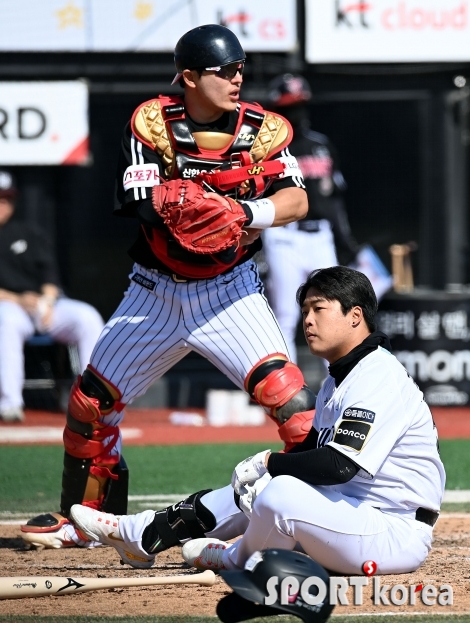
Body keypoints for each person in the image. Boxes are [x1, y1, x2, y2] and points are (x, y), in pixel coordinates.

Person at [21, 24, 315, 550]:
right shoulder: (153, 124)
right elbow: (139, 203)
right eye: (223, 71)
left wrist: (244, 210)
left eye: (240, 68)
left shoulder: (264, 129)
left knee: (292, 405)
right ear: (188, 77)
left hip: (231, 291)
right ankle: (85, 521)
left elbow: (296, 201)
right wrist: (193, 203)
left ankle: (316, 514)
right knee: (91, 405)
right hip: (155, 292)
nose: (235, 78)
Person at [69, 267, 445, 576]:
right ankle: (141, 533)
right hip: (350, 516)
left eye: (319, 309)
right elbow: (313, 453)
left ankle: (233, 558)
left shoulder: (377, 375)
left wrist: (269, 463)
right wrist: (263, 476)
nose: (308, 321)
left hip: (392, 531)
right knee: (265, 484)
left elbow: (340, 465)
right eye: (304, 312)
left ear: (355, 316)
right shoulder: (339, 377)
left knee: (278, 490)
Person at [262, 74, 361, 362]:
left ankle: (335, 389)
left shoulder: (322, 146)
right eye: (289, 108)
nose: (297, 114)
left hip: (320, 237)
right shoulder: (266, 153)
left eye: (300, 105)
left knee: (332, 313)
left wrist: (346, 240)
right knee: (286, 314)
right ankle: (287, 396)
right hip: (283, 236)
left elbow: (334, 200)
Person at [0, 171, 105, 423]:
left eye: (6, 199)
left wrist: (45, 302)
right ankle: (10, 404)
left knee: (87, 317)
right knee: (7, 321)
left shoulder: (29, 232)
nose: (2, 205)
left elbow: (50, 280)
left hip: (41, 306)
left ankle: (92, 401)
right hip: (8, 307)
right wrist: (17, 299)